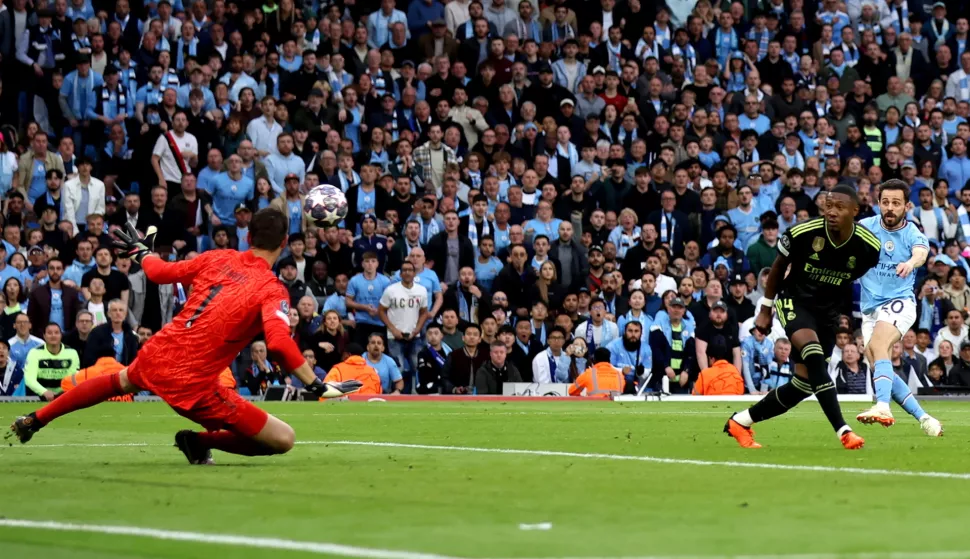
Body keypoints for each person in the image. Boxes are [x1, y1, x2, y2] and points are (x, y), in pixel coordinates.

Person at [8, 211, 362, 464]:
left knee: (116, 381)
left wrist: (142, 253)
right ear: (284, 244)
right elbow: (281, 345)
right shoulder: (273, 290)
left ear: (248, 237)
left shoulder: (216, 257)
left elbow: (159, 272)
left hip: (160, 351)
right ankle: (196, 441)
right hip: (193, 382)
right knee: (283, 440)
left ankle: (36, 419)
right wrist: (315, 384)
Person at [725, 185, 881, 450]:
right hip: (794, 301)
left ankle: (740, 422)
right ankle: (843, 431)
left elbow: (851, 281)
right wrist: (765, 308)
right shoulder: (803, 233)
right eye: (828, 205)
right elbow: (777, 268)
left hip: (827, 314)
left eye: (839, 207)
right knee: (814, 354)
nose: (831, 212)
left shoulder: (868, 247)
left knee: (803, 385)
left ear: (855, 211)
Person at [856, 180, 942, 436]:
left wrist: (911, 263)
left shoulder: (911, 232)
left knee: (880, 347)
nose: (890, 208)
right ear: (878, 203)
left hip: (900, 302)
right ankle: (926, 419)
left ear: (907, 205)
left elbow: (921, 253)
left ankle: (882, 406)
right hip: (870, 308)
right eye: (885, 202)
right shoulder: (865, 227)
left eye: (896, 203)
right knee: (879, 365)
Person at [379, 261, 429, 392]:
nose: (407, 272)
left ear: (414, 273)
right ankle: (394, 393)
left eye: (410, 270)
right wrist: (393, 329)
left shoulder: (421, 290)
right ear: (400, 274)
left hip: (415, 335)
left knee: (417, 366)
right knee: (397, 368)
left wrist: (417, 329)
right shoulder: (391, 290)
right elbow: (381, 311)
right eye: (404, 270)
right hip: (394, 336)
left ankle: (417, 393)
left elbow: (424, 312)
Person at [22, 323, 80, 402]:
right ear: (44, 336)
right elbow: (29, 379)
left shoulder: (72, 353)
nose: (53, 335)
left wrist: (63, 394)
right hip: (38, 398)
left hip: (63, 397)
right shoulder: (34, 353)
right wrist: (44, 392)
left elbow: (74, 378)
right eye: (49, 333)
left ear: (61, 335)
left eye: (56, 333)